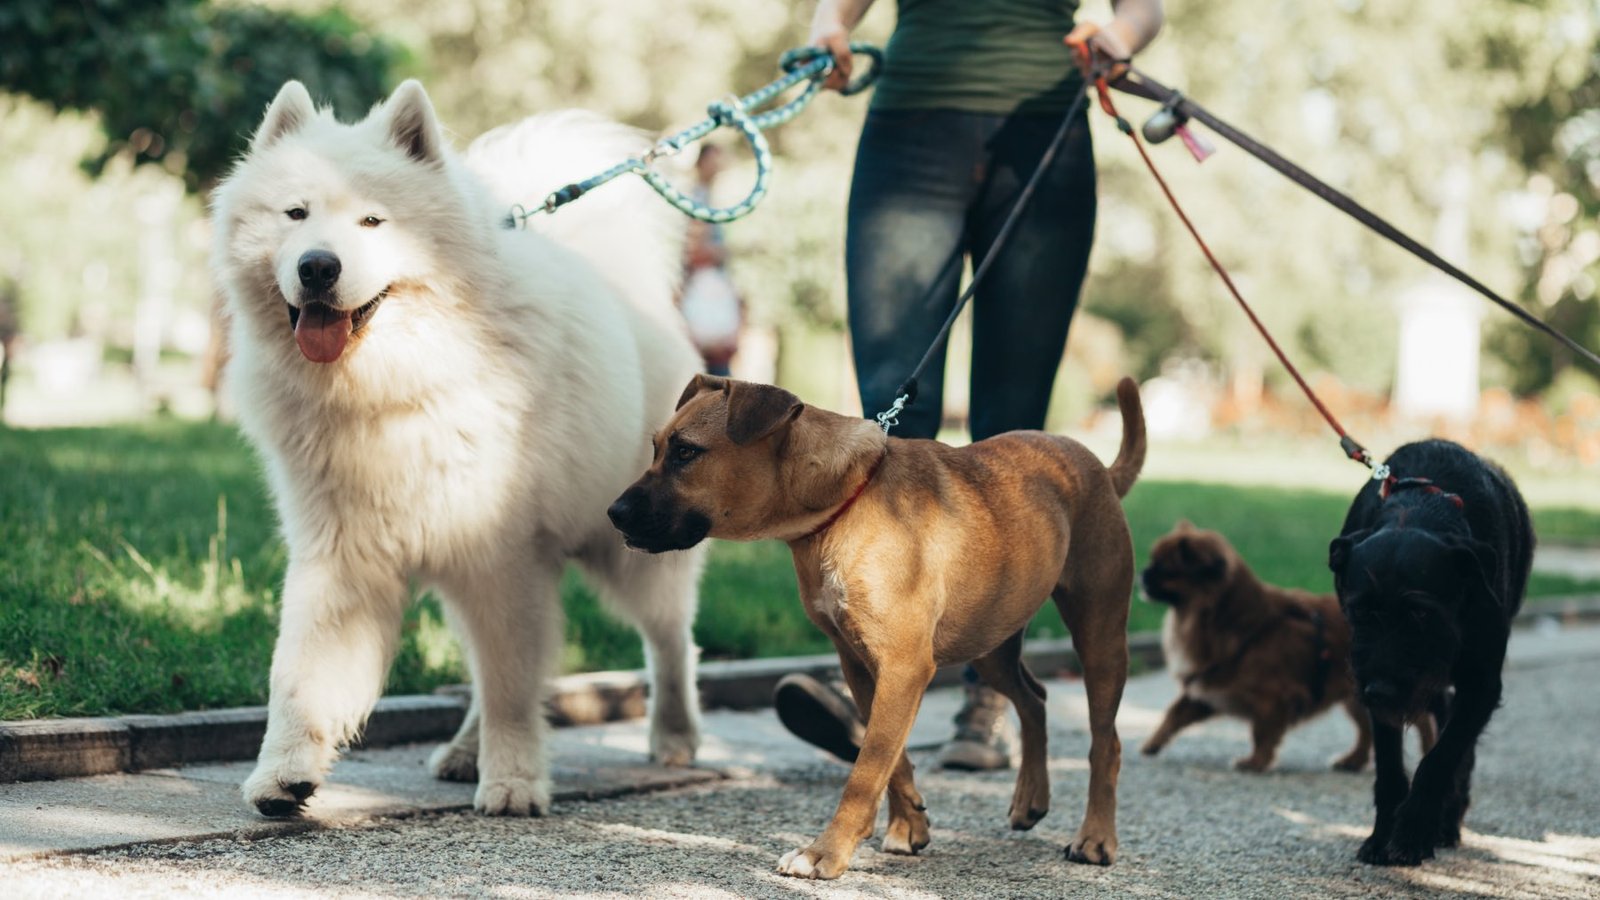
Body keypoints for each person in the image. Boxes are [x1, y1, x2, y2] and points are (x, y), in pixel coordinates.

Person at [773, 0, 1165, 770]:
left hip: (1043, 127)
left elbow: (1140, 8)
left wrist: (1119, 39)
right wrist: (830, 26)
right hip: (911, 129)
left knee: (1008, 433)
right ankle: (873, 667)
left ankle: (989, 690)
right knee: (891, 411)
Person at [678, 144, 745, 376]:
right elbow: (694, 248)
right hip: (701, 295)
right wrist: (722, 252)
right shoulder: (697, 199)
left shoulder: (708, 197)